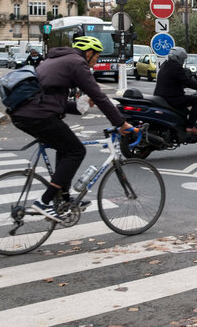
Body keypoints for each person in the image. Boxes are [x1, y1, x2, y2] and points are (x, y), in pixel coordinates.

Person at [10, 36, 134, 222]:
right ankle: (43, 202)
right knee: (76, 151)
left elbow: (52, 99)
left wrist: (78, 105)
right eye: (96, 56)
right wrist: (121, 123)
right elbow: (99, 96)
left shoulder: (54, 59)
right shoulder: (77, 62)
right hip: (38, 115)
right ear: (89, 52)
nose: (96, 61)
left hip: (24, 113)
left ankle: (64, 199)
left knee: (65, 147)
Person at [154, 47, 197, 134]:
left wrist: (183, 85)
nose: (183, 61)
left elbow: (172, 80)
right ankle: (190, 127)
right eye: (183, 59)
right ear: (178, 58)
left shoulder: (165, 65)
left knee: (185, 108)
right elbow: (188, 82)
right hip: (172, 98)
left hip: (161, 96)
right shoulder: (176, 67)